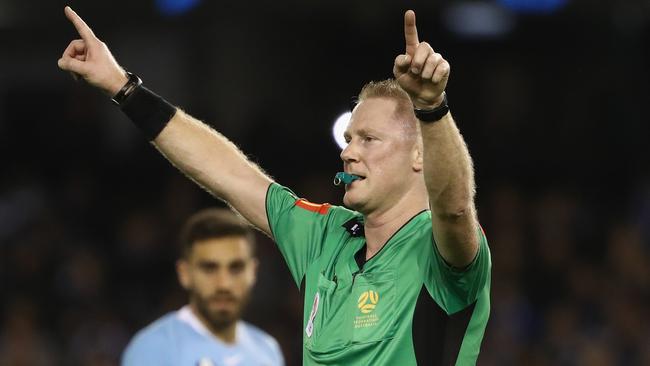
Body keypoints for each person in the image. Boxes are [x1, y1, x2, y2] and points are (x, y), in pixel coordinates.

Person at [58, 6, 491, 365]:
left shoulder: (441, 254)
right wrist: (123, 86)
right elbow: (229, 174)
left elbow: (453, 208)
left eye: (369, 140)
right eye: (348, 139)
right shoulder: (324, 235)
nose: (348, 152)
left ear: (420, 156)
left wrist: (432, 108)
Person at [121, 208, 285, 366]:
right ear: (184, 273)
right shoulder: (153, 350)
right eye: (209, 268)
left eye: (236, 268)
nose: (224, 284)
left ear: (253, 272)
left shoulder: (267, 351)